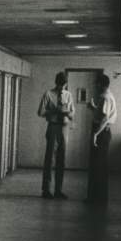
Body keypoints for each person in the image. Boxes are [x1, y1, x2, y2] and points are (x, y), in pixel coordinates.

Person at [37, 71, 75, 199]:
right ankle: (46, 189)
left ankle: (59, 190)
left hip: (64, 127)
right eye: (60, 86)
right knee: (49, 159)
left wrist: (66, 113)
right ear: (56, 83)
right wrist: (54, 110)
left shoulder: (69, 95)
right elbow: (40, 112)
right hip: (53, 126)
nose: (61, 89)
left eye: (63, 86)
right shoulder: (48, 94)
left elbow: (72, 114)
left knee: (61, 160)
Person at [86, 72, 117, 205]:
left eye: (96, 84)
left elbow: (104, 119)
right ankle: (98, 198)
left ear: (100, 84)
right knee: (99, 165)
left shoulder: (105, 97)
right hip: (103, 131)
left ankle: (97, 199)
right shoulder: (107, 96)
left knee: (98, 166)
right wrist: (93, 108)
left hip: (102, 132)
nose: (96, 86)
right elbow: (103, 114)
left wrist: (95, 134)